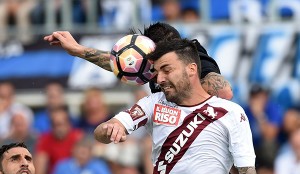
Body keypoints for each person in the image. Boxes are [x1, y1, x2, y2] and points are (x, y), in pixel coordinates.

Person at [94, 38, 259, 174]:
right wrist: (111, 128)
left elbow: (249, 173)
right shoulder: (153, 103)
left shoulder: (232, 112)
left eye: (167, 70)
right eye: (157, 72)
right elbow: (102, 131)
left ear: (192, 69)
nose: (159, 79)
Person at [43, 22, 233, 100]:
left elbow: (224, 92)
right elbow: (120, 63)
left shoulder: (194, 55)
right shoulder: (151, 62)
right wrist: (78, 50)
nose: (158, 74)